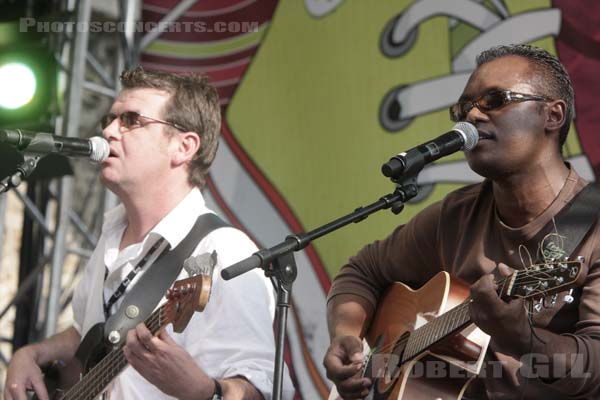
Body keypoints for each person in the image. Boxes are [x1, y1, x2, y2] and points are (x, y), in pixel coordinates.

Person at [323, 44, 600, 399]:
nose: (472, 116)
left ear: (553, 115)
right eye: (463, 108)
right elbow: (363, 270)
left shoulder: (590, 225)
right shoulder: (455, 215)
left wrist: (522, 336)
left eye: (495, 100)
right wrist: (347, 335)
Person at [4, 67, 294, 400]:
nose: (110, 131)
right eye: (109, 120)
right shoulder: (112, 233)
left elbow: (262, 390)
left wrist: (202, 391)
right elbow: (85, 331)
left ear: (184, 147)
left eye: (131, 120)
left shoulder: (225, 251)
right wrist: (32, 354)